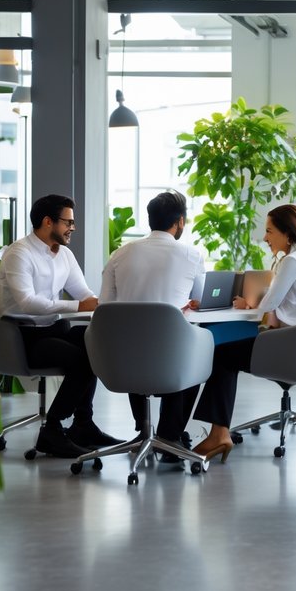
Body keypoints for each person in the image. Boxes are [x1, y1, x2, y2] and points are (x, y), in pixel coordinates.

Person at [190, 204, 296, 461]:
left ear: (288, 233)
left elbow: (269, 305)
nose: (265, 238)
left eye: (270, 231)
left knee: (221, 353)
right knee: (229, 350)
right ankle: (218, 432)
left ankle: (219, 434)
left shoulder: (293, 260)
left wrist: (250, 304)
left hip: (287, 347)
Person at [0, 194, 123, 458]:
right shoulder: (18, 253)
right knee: (83, 359)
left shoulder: (64, 255)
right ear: (47, 222)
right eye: (68, 222)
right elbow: (28, 303)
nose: (73, 228)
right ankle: (52, 430)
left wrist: (109, 306)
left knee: (95, 342)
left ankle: (83, 425)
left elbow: (84, 294)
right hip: (23, 336)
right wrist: (79, 307)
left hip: (53, 329)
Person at [99, 190, 206, 461]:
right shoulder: (191, 256)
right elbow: (200, 303)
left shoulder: (119, 255)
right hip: (173, 362)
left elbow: (105, 307)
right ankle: (170, 436)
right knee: (194, 347)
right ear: (180, 221)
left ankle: (143, 429)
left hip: (124, 361)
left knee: (135, 336)